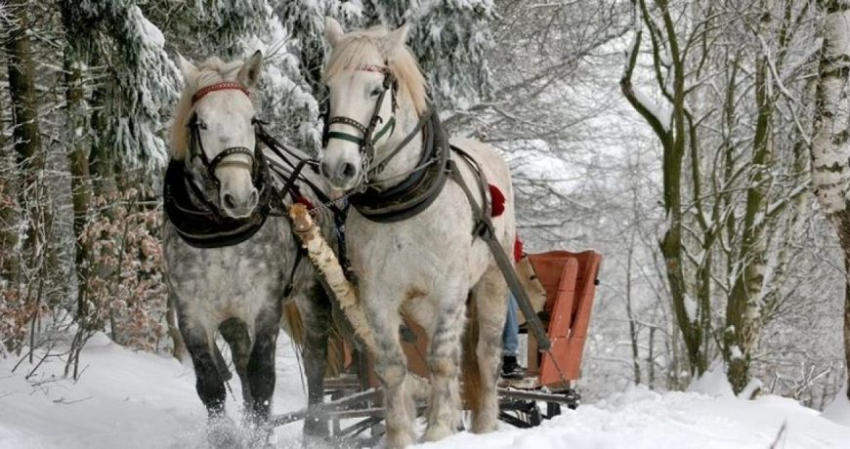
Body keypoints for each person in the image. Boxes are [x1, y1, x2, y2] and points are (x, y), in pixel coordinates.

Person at [501, 236, 525, 379]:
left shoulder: (505, 224)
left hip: (496, 275)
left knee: (507, 294)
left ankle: (508, 357)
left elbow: (515, 251)